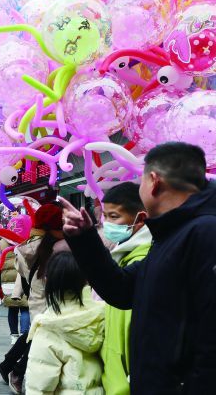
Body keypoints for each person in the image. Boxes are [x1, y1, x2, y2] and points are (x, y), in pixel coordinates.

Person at [61, 142, 216, 394]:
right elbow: (122, 290)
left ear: (153, 181)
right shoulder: (170, 235)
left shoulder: (205, 233)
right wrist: (84, 238)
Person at [0, 203, 65, 392]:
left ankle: (7, 365)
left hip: (37, 297)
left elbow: (22, 272)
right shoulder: (56, 248)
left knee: (32, 334)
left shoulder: (26, 247)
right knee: (38, 339)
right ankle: (17, 372)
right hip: (48, 300)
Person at [25, 251, 105, 395]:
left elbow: (40, 386)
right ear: (86, 280)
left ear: (47, 281)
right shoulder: (103, 314)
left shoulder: (48, 326)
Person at [99, 182, 152, 395]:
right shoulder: (123, 254)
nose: (107, 224)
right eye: (104, 216)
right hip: (117, 375)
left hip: (129, 378)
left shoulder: (144, 260)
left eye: (114, 217)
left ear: (140, 218)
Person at [0, 239, 30, 345]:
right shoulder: (25, 238)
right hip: (24, 277)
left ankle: (14, 336)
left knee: (12, 308)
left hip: (8, 280)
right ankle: (24, 335)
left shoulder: (2, 242)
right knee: (25, 307)